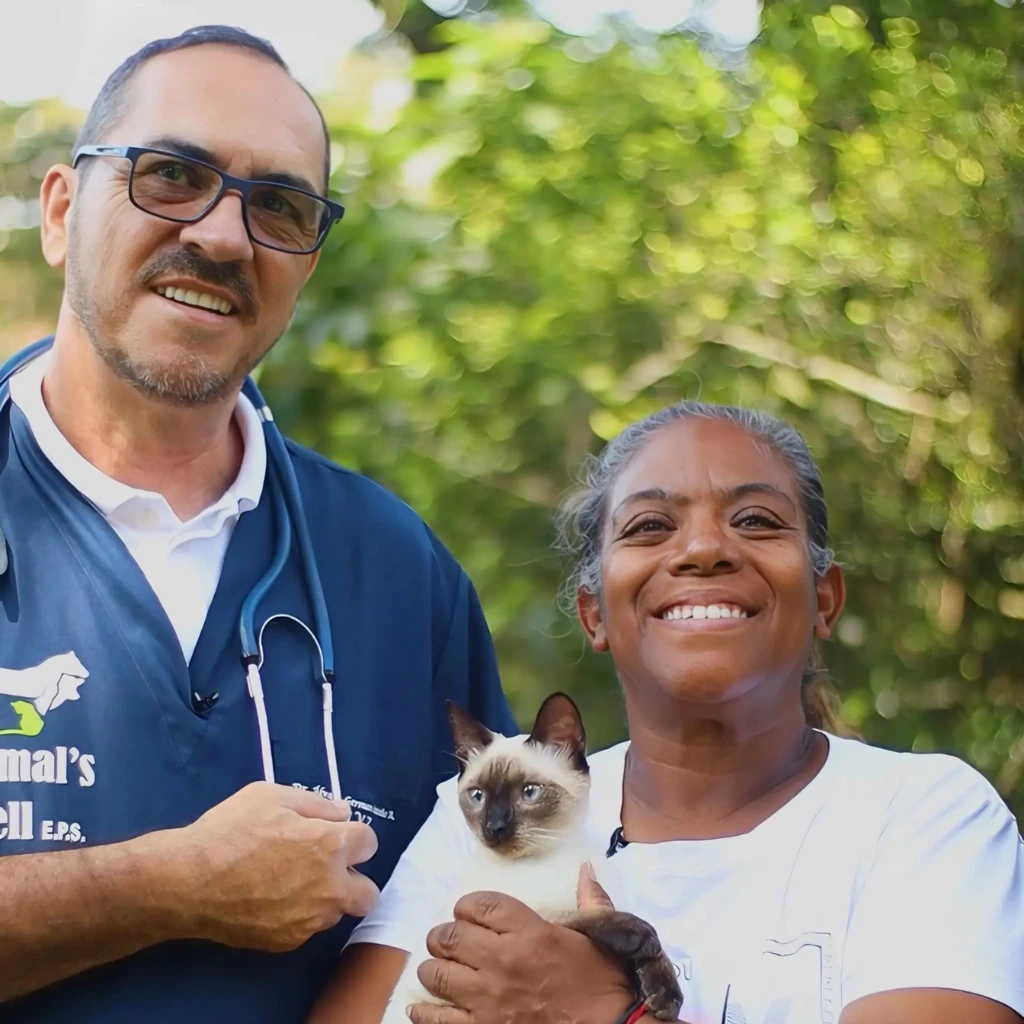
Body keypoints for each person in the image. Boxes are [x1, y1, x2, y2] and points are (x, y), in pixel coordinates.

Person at [0, 24, 515, 1024]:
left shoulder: (398, 574)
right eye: (171, 175)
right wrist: (168, 886)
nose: (224, 236)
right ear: (61, 211)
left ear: (307, 265)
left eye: (278, 205)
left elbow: (484, 929)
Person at [310, 402, 1024, 1024]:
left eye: (755, 519)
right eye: (650, 526)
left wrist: (601, 1012)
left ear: (825, 600)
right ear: (595, 613)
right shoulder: (471, 820)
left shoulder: (925, 818)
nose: (705, 548)